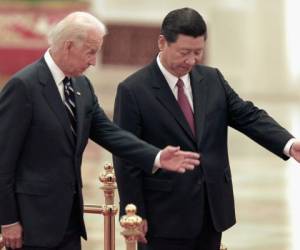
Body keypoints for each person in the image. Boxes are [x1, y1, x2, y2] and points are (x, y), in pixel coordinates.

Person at [0, 12, 201, 250]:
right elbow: (3, 161)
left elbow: (109, 133)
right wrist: (7, 220)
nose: (94, 61)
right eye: (91, 51)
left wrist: (156, 156)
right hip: (31, 223)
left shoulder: (80, 85)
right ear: (68, 46)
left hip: (69, 223)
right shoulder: (24, 86)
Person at [113, 7, 300, 250]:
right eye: (184, 52)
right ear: (162, 42)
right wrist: (135, 213)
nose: (191, 60)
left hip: (211, 212)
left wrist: (289, 144)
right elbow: (126, 158)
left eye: (198, 52)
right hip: (163, 216)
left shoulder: (212, 79)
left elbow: (248, 116)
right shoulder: (133, 90)